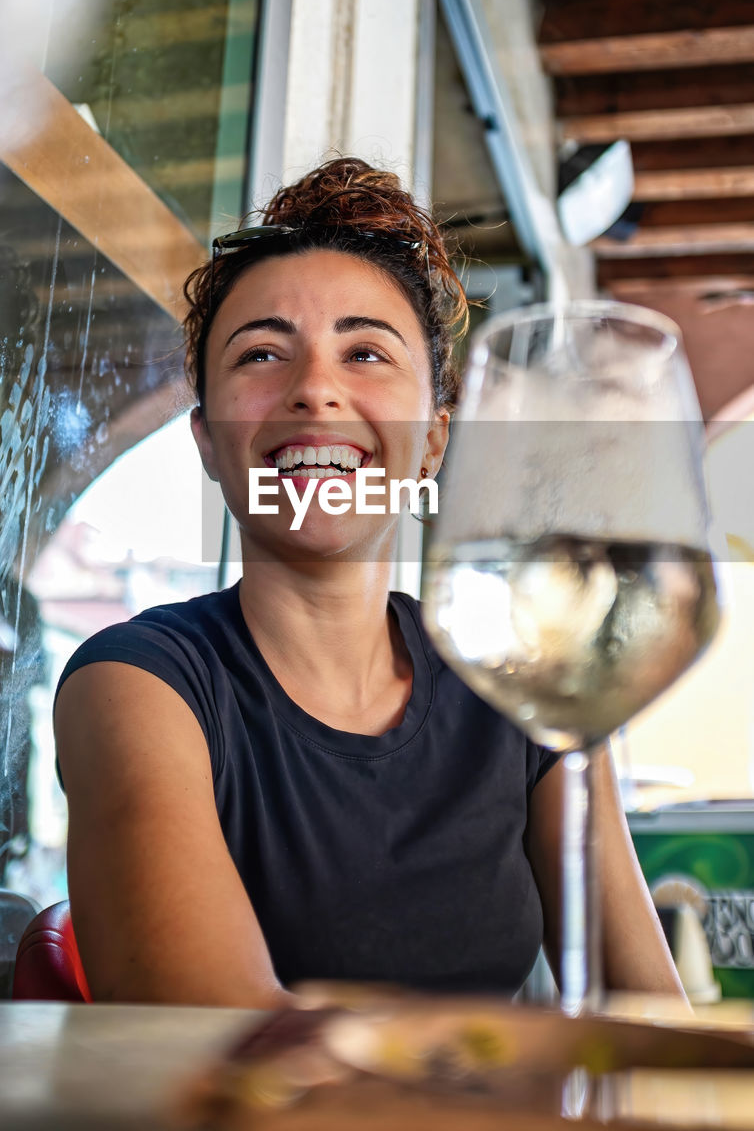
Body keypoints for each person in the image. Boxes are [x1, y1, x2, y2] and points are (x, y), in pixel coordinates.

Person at [54, 157, 684, 1007]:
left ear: (431, 439)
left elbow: (643, 1019)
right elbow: (218, 1058)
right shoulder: (135, 683)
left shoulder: (529, 680)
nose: (315, 390)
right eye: (263, 354)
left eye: (365, 353)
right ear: (207, 442)